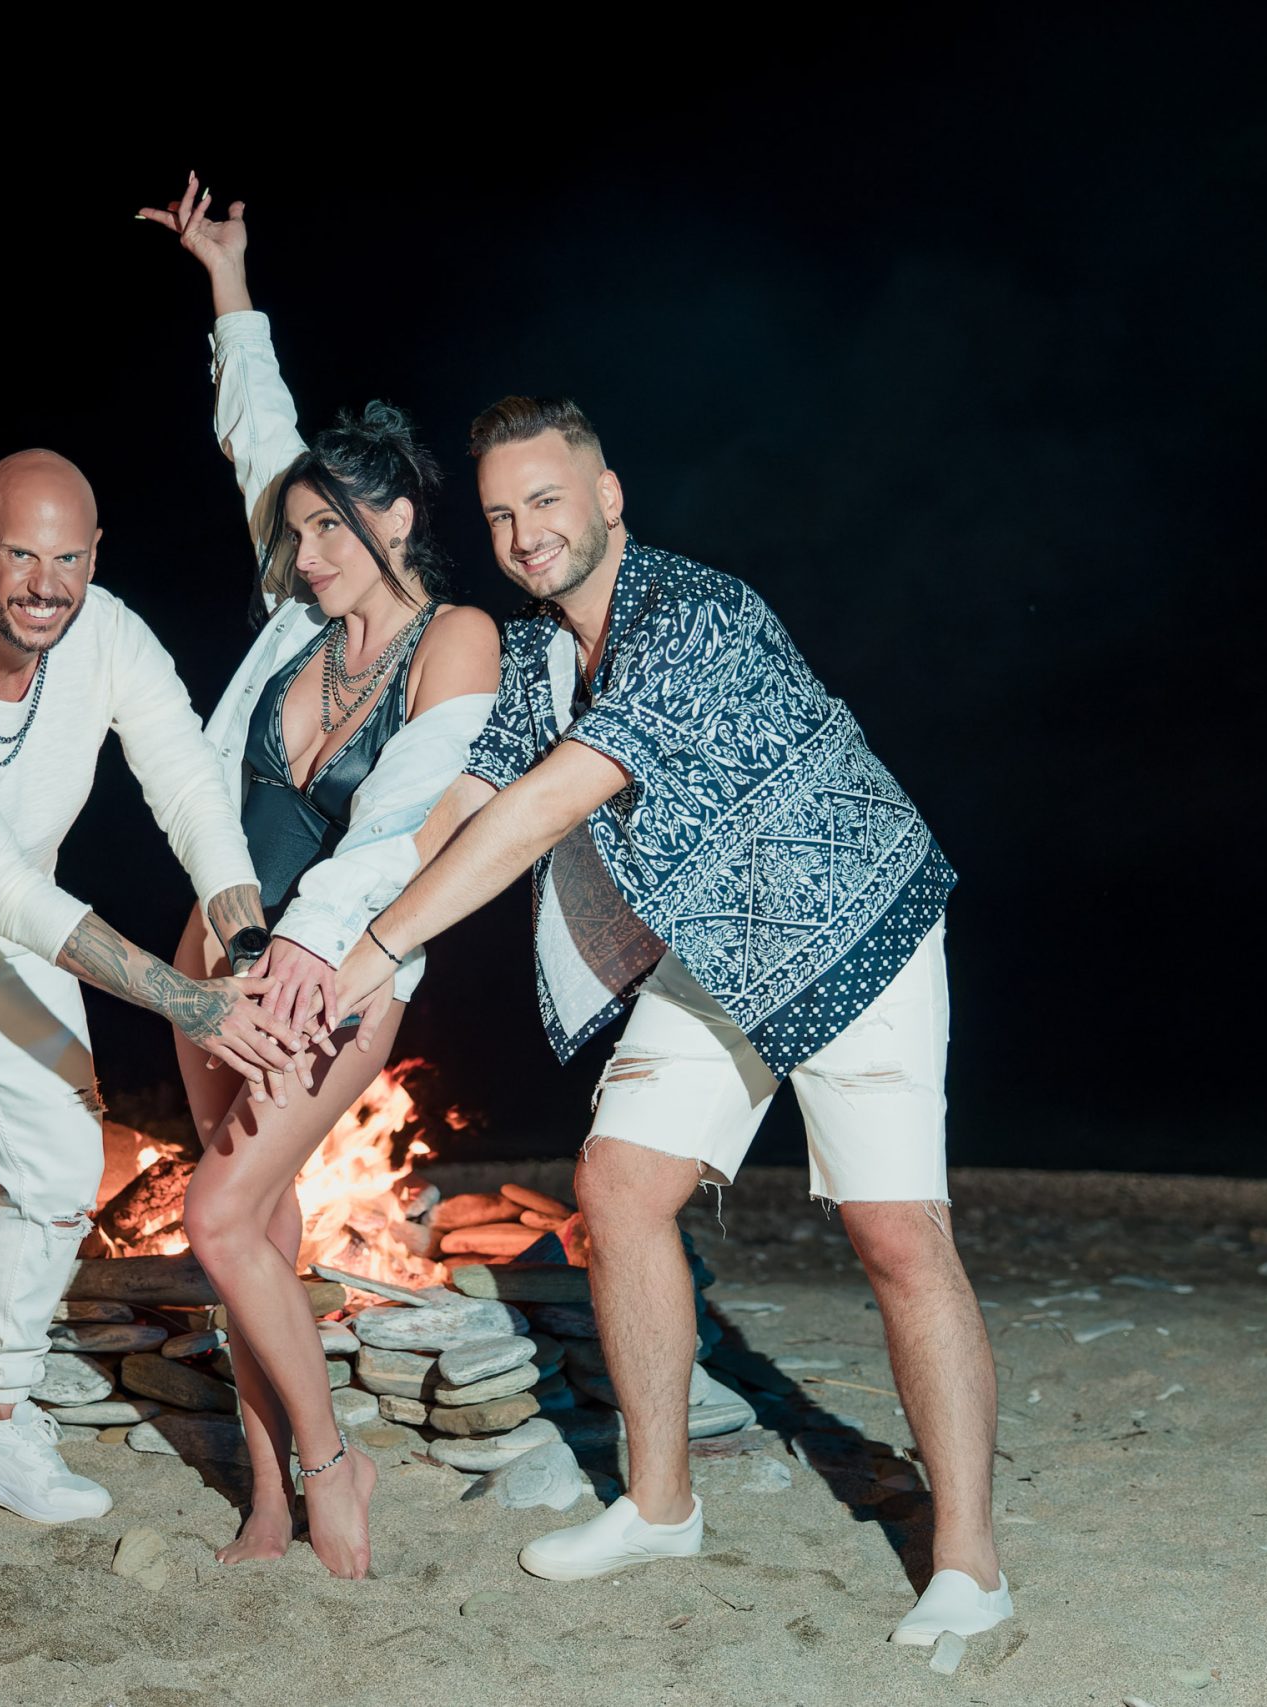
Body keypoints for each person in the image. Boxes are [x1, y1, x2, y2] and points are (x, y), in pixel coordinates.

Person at [326, 399, 1011, 1645]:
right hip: (714, 943)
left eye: (546, 500)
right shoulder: (539, 654)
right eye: (500, 515)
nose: (525, 534)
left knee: (895, 1236)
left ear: (607, 498)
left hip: (849, 919)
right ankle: (658, 1507)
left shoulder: (693, 614)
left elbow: (541, 810)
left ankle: (970, 1565)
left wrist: (382, 949)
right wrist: (341, 940)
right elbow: (465, 804)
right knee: (619, 1184)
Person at [0, 447, 304, 1612]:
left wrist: (244, 948)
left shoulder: (108, 634)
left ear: (94, 557)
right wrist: (190, 1005)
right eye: (20, 555)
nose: (44, 585)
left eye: (67, 559)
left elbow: (187, 782)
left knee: (64, 1174)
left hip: (19, 939)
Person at [137, 176, 499, 1579]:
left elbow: (405, 819)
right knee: (259, 1227)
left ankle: (335, 1462)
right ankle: (269, 1492)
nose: (304, 550)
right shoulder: (295, 620)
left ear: (398, 517)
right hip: (213, 961)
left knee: (215, 1215)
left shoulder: (454, 637)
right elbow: (259, 438)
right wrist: (226, 283)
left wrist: (309, 949)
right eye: (296, 532)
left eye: (334, 527)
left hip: (335, 972)